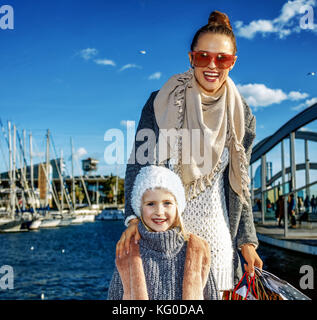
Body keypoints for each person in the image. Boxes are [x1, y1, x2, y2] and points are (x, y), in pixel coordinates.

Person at [117, 10, 263, 295]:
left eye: (222, 59)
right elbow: (139, 164)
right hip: (162, 239)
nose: (212, 65)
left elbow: (240, 186)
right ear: (191, 57)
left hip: (217, 243)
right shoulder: (161, 101)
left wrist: (247, 241)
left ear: (233, 63)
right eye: (202, 57)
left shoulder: (243, 116)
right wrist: (133, 219)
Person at [108, 165, 219, 300]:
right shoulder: (128, 253)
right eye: (150, 204)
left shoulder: (197, 250)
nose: (159, 212)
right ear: (140, 209)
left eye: (167, 203)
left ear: (178, 207)